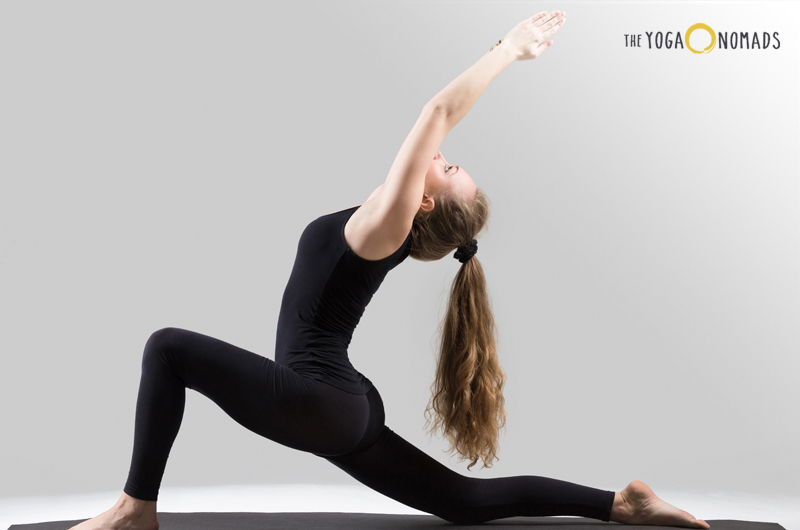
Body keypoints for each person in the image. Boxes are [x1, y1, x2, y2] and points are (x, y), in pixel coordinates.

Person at [69, 11, 710, 530]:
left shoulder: (387, 228)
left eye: (450, 169)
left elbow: (436, 113)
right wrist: (499, 47)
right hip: (340, 403)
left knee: (167, 349)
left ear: (423, 203)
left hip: (322, 402)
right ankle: (619, 503)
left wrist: (510, 51)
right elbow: (436, 126)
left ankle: (135, 509)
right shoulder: (384, 220)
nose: (444, 156)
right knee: (466, 503)